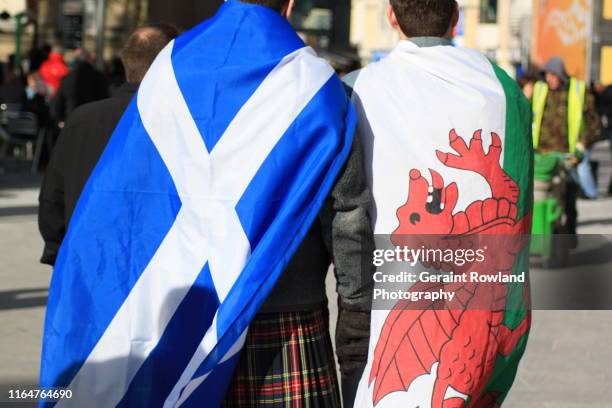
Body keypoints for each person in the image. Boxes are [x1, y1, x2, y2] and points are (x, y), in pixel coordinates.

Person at [345, 0, 533, 406]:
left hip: (379, 288)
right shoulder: (503, 90)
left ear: (392, 18)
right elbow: (516, 203)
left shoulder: (357, 87)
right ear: (456, 19)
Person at [38, 23, 180, 265]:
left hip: (86, 263)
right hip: (158, 272)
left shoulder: (82, 120)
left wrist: (61, 254)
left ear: (127, 65)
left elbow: (52, 201)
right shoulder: (184, 123)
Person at [532, 57, 601, 231]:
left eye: (553, 75)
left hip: (567, 155)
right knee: (538, 197)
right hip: (542, 156)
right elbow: (529, 117)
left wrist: (582, 145)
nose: (550, 79)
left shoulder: (578, 91)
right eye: (547, 75)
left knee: (568, 197)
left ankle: (569, 231)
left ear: (561, 75)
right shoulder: (539, 90)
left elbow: (593, 123)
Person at [51, 49, 110, 124]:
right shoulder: (99, 77)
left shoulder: (68, 78)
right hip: (92, 121)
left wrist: (60, 120)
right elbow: (105, 101)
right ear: (90, 60)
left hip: (71, 120)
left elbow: (57, 103)